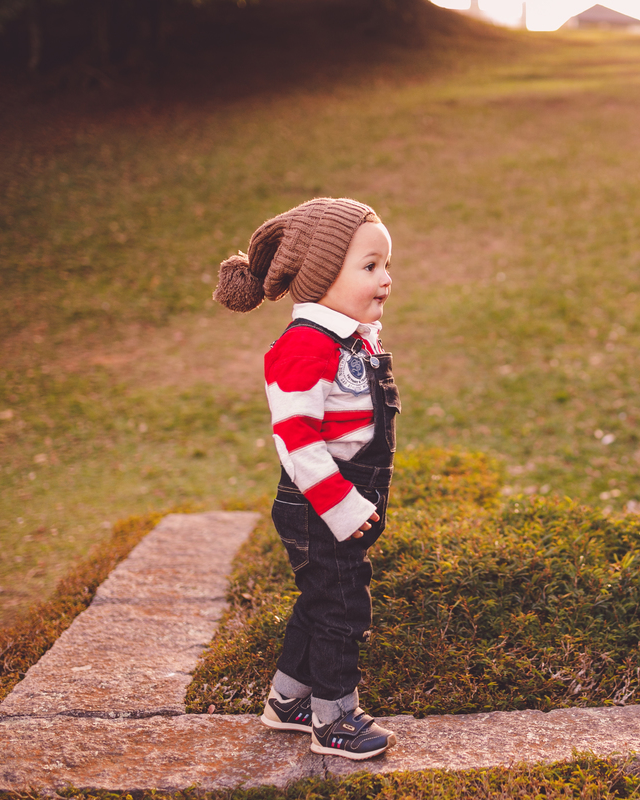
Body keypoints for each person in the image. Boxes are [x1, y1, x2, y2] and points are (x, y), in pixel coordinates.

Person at [213, 197, 400, 760]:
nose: (386, 279)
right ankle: (334, 719)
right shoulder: (300, 349)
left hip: (346, 495)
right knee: (343, 607)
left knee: (322, 598)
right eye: (369, 267)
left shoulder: (351, 338)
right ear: (322, 277)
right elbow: (297, 443)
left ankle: (289, 701)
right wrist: (342, 508)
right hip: (321, 502)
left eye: (386, 265)